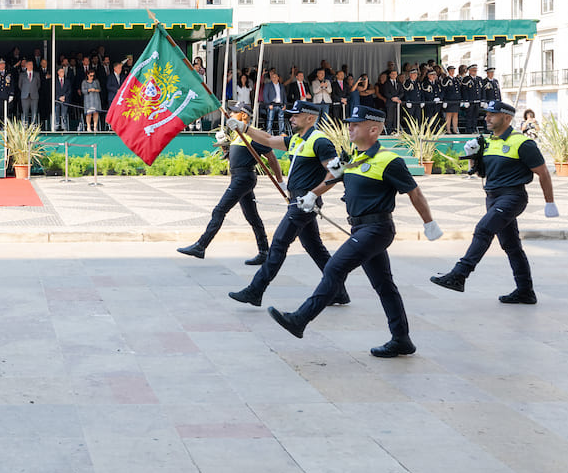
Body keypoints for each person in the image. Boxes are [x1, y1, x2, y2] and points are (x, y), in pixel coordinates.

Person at [266, 105, 443, 357]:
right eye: (350, 123)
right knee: (384, 285)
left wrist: (429, 223)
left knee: (335, 268)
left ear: (373, 129)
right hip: (360, 227)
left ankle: (300, 318)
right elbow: (332, 177)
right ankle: (401, 338)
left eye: (355, 124)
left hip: (377, 228)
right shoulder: (354, 158)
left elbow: (414, 193)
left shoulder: (389, 161)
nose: (349, 127)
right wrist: (311, 195)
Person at [430, 100, 557, 304]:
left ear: (507, 118)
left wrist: (549, 202)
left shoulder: (522, 143)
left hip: (513, 196)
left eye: (492, 114)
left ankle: (459, 274)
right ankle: (525, 291)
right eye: (486, 114)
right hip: (492, 197)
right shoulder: (489, 142)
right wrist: (473, 157)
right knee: (511, 246)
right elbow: (482, 173)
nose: (487, 118)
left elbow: (543, 172)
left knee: (483, 229)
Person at [225, 100, 350, 306]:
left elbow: (335, 172)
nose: (291, 118)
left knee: (279, 243)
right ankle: (338, 292)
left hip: (304, 202)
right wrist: (243, 128)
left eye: (295, 115)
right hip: (299, 200)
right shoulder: (297, 139)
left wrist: (313, 195)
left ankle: (256, 290)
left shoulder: (319, 141)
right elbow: (267, 139)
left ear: (310, 118)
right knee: (314, 247)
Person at [177, 100, 281, 262]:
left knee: (219, 210)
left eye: (234, 112)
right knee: (252, 217)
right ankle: (264, 252)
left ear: (244, 115)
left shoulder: (253, 136)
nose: (230, 114)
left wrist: (280, 180)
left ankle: (201, 246)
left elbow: (272, 157)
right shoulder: (238, 135)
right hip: (239, 177)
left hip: (243, 178)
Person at [0, 59, 15, 129]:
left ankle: (5, 125)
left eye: (3, 64)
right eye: (0, 64)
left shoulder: (8, 73)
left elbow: (11, 84)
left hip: (6, 94)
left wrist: (11, 94)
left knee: (6, 111)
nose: (2, 65)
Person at [461, 64, 484, 134]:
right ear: (470, 71)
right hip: (470, 101)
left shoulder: (479, 79)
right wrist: (466, 100)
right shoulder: (466, 79)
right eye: (473, 70)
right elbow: (464, 90)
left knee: (475, 116)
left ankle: (474, 128)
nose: (475, 72)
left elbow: (482, 90)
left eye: (476, 70)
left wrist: (483, 99)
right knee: (469, 116)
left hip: (477, 100)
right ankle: (469, 129)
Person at [19, 59, 42, 124]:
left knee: (34, 112)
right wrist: (26, 90)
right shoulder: (22, 74)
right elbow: (20, 85)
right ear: (26, 66)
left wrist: (33, 90)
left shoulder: (36, 74)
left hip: (34, 95)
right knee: (25, 112)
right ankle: (25, 126)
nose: (30, 66)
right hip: (25, 95)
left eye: (31, 64)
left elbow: (38, 85)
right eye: (29, 64)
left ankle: (33, 126)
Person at [441, 65, 462, 134]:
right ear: (448, 71)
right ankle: (448, 130)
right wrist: (444, 100)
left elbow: (459, 89)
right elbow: (444, 90)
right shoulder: (446, 79)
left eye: (453, 70)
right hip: (449, 99)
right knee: (449, 115)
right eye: (451, 70)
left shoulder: (456, 79)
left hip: (456, 100)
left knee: (455, 115)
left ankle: (455, 130)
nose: (452, 72)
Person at [381, 69, 403, 133]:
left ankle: (396, 131)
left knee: (396, 118)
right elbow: (386, 93)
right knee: (390, 118)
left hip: (397, 103)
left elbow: (402, 92)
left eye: (395, 74)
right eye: (392, 74)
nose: (394, 75)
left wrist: (398, 98)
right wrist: (392, 98)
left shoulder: (399, 83)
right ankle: (389, 132)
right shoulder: (386, 83)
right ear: (390, 75)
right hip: (390, 103)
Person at [54, 66, 73, 131]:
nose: (63, 73)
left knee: (64, 114)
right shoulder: (54, 81)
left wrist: (64, 96)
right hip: (57, 100)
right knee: (56, 113)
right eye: (61, 71)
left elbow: (69, 90)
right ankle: (56, 126)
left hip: (65, 100)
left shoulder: (67, 81)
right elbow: (53, 91)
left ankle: (64, 127)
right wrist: (59, 97)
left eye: (63, 72)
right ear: (58, 72)